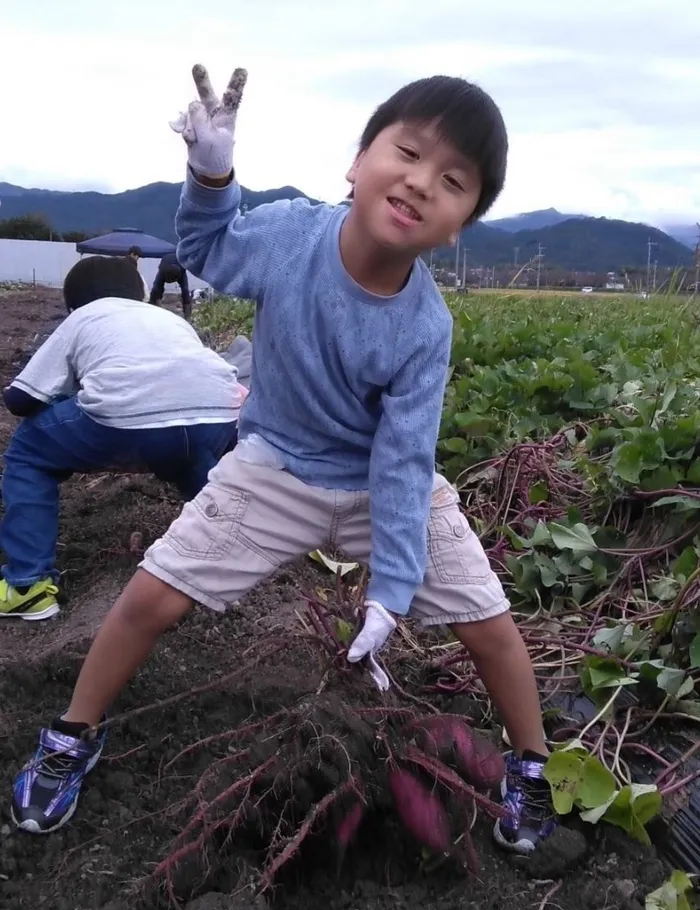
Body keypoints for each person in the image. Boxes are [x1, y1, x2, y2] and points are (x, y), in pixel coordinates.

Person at [12, 65, 555, 855]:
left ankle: (532, 765)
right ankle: (71, 733)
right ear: (358, 160)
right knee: (151, 599)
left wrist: (392, 591)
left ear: (459, 224)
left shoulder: (424, 328)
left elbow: (403, 465)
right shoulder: (294, 233)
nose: (419, 182)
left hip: (380, 488)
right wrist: (210, 174)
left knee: (491, 625)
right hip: (274, 468)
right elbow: (206, 247)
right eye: (406, 152)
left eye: (453, 181)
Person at [0, 255, 244, 622]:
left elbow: (21, 400)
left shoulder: (83, 316)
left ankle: (27, 585)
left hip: (124, 417)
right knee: (191, 458)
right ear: (140, 294)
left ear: (73, 303)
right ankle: (229, 568)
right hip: (219, 414)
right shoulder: (167, 318)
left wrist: (66, 393)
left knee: (28, 452)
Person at [149, 251, 192, 320]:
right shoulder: (162, 270)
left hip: (178, 268)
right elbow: (157, 289)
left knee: (185, 290)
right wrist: (158, 306)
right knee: (156, 289)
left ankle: (188, 316)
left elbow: (185, 292)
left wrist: (187, 312)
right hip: (166, 267)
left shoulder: (182, 268)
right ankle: (151, 309)